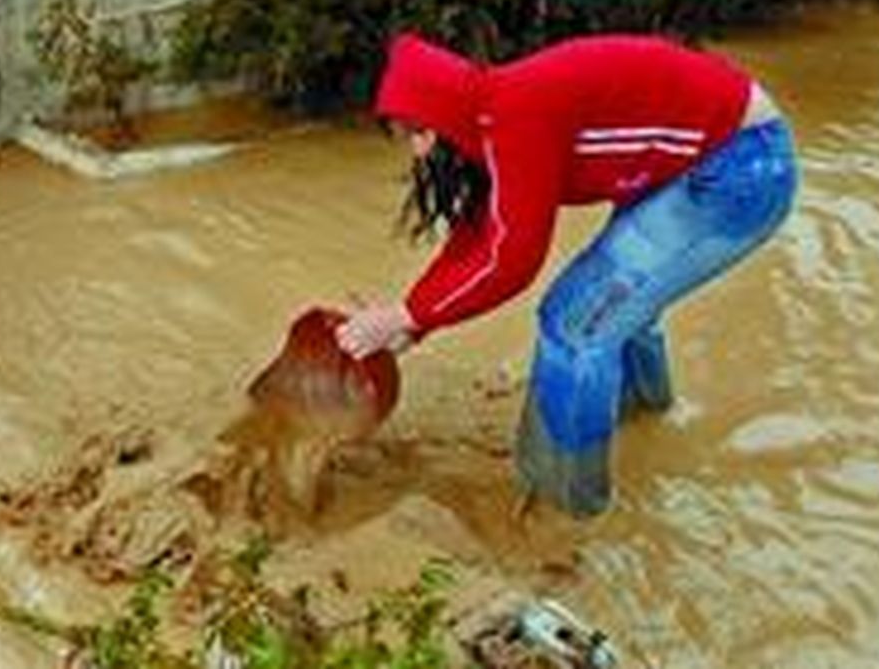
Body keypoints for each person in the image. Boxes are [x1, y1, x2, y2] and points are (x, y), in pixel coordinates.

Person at [335, 33, 799, 516]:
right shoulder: (493, 114)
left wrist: (408, 313)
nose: (417, 150)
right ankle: (641, 420)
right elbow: (482, 234)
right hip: (707, 154)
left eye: (418, 131)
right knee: (615, 311)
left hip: (740, 167)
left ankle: (566, 511)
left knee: (574, 326)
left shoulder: (512, 116)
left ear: (441, 111)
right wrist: (414, 321)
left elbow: (512, 259)